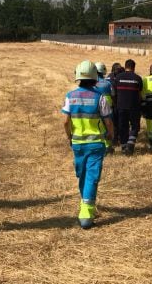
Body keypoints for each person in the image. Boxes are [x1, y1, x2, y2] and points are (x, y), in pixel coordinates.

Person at [62, 60, 114, 229]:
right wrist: (110, 136)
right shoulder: (100, 97)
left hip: (77, 144)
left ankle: (85, 202)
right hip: (96, 144)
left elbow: (65, 122)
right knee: (91, 177)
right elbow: (108, 121)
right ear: (94, 78)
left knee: (82, 174)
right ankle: (86, 212)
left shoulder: (70, 96)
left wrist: (70, 136)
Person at [114, 59, 143, 155]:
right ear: (134, 68)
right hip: (134, 107)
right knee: (135, 126)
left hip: (121, 107)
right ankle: (130, 145)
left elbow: (114, 94)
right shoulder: (138, 78)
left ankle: (123, 147)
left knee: (123, 126)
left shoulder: (117, 78)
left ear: (125, 66)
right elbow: (140, 94)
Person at [94, 62, 114, 153]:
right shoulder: (108, 83)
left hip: (95, 108)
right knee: (108, 125)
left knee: (98, 126)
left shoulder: (92, 83)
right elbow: (113, 94)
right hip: (108, 109)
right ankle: (108, 146)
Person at [107, 63, 124, 147]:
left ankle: (115, 139)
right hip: (115, 102)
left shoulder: (109, 76)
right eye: (118, 70)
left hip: (111, 103)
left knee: (114, 122)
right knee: (116, 122)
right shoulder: (114, 78)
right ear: (114, 70)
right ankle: (116, 140)